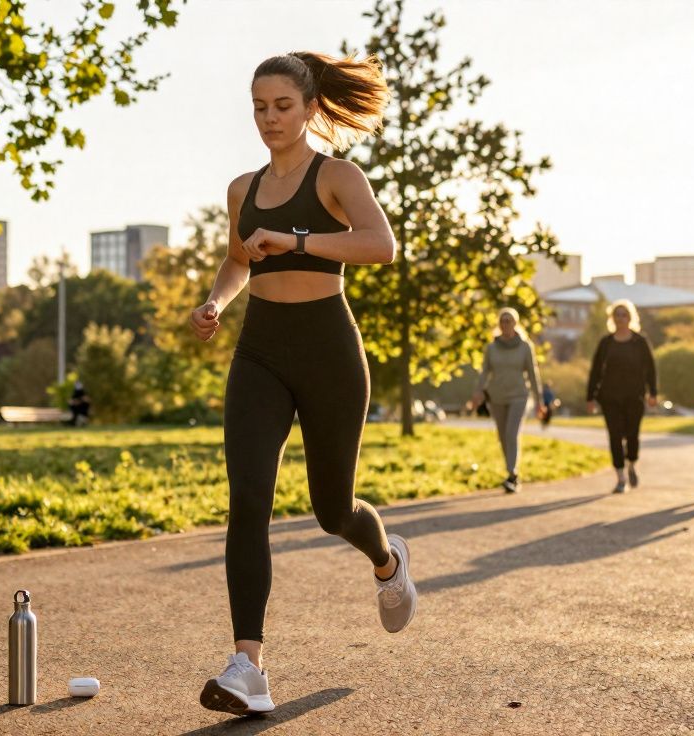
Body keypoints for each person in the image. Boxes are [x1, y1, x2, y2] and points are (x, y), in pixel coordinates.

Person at [188, 51, 416, 717]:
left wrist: (296, 241)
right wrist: (216, 302)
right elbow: (237, 261)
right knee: (248, 497)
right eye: (258, 107)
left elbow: (381, 246)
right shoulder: (242, 189)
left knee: (331, 509)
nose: (268, 119)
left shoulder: (336, 176)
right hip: (261, 351)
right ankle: (247, 668)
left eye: (281, 106)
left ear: (311, 107)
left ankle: (387, 560)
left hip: (327, 350)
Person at [469, 308, 547, 493]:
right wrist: (478, 392)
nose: (506, 324)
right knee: (503, 436)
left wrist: (539, 400)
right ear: (499, 324)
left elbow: (533, 373)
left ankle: (512, 473)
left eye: (509, 321)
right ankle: (511, 472)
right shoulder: (491, 347)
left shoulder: (525, 346)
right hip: (497, 396)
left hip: (519, 396)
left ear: (515, 323)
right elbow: (485, 372)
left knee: (512, 433)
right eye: (503, 321)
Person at [585, 300, 658, 493]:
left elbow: (650, 368)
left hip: (634, 396)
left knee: (632, 435)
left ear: (630, 318)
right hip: (610, 397)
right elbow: (595, 371)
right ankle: (620, 477)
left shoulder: (639, 342)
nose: (620, 318)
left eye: (624, 314)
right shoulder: (606, 343)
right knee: (615, 436)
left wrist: (653, 393)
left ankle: (632, 463)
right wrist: (590, 397)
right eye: (617, 314)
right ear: (612, 318)